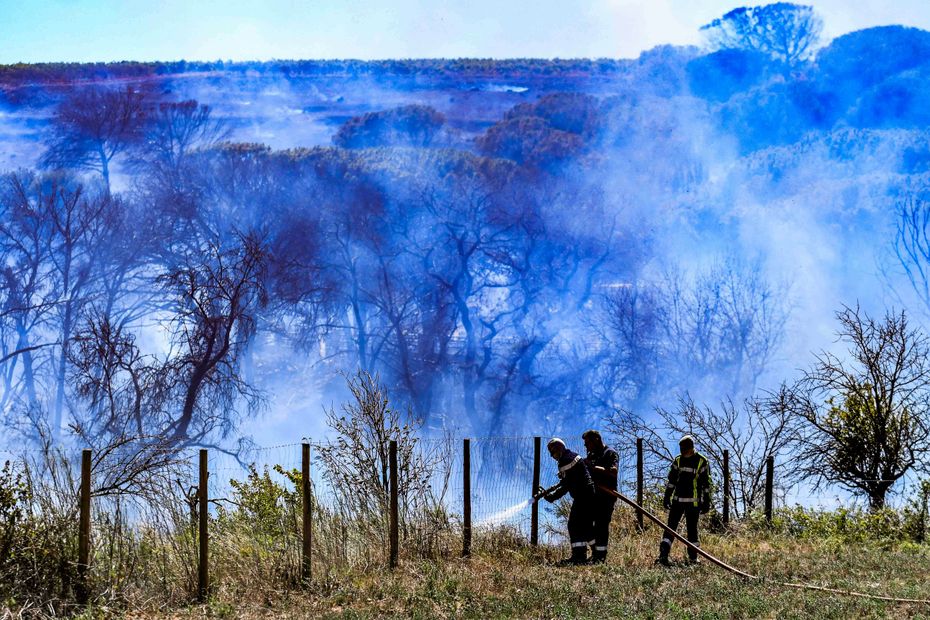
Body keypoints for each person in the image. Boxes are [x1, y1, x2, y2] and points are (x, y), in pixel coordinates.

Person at [538, 437, 596, 565]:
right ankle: (597, 554)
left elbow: (566, 485)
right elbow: (568, 480)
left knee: (574, 525)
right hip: (588, 494)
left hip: (583, 496)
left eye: (552, 452)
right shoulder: (573, 456)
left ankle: (579, 557)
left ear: (558, 448)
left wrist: (552, 497)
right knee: (585, 526)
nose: (551, 456)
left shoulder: (565, 461)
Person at [657, 434, 711, 566]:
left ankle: (693, 559)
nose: (682, 451)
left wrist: (706, 502)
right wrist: (667, 496)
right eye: (681, 449)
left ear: (691, 448)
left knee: (692, 530)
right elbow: (672, 481)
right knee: (670, 528)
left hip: (693, 503)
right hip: (677, 501)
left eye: (684, 449)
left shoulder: (701, 461)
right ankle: (663, 556)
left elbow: (706, 484)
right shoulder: (678, 461)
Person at [582, 429, 619, 563]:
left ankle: (601, 557)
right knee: (584, 522)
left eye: (587, 443)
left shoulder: (610, 453)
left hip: (607, 495)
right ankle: (595, 551)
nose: (586, 446)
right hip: (592, 495)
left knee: (601, 526)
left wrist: (593, 467)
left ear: (596, 440)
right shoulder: (591, 455)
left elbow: (613, 471)